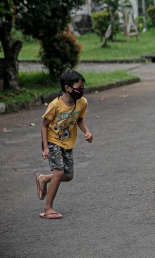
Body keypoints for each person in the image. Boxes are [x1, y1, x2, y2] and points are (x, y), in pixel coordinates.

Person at [34, 69, 93, 219]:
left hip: (68, 142)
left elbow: (79, 119)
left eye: (82, 87)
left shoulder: (82, 102)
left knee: (68, 175)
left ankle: (43, 178)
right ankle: (48, 208)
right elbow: (44, 125)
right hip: (53, 141)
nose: (81, 90)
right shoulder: (55, 105)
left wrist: (86, 131)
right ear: (67, 88)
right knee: (59, 172)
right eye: (78, 87)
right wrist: (46, 147)